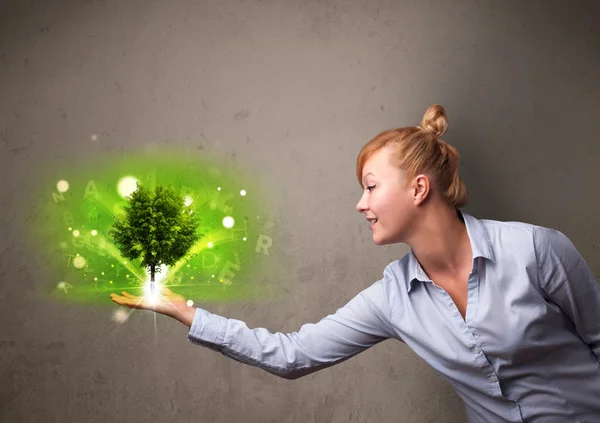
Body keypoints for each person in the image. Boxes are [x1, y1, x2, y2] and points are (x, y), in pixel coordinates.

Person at [110, 105, 600, 422]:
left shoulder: (536, 251)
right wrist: (185, 312)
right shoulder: (392, 297)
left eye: (370, 186)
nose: (361, 205)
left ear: (419, 188)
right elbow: (293, 354)